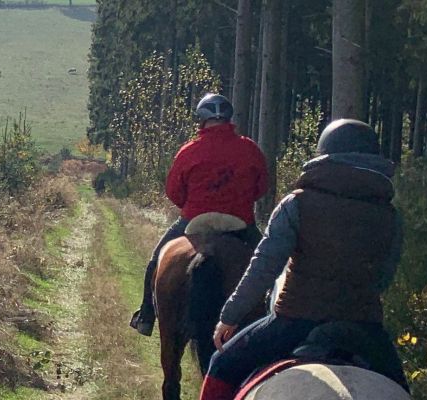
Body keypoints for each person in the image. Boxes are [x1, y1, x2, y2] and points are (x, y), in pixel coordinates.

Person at [198, 119, 407, 399]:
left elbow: (264, 267)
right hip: (364, 326)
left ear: (324, 157)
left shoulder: (297, 204)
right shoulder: (391, 217)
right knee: (402, 389)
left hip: (295, 322)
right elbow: (384, 277)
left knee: (221, 364)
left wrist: (230, 316)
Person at [130, 93, 269, 336]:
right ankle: (271, 317)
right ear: (228, 119)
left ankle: (146, 315)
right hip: (240, 224)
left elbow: (173, 191)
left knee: (155, 260)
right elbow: (262, 188)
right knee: (270, 267)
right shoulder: (250, 149)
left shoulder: (189, 151)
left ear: (202, 121)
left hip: (194, 220)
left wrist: (193, 205)